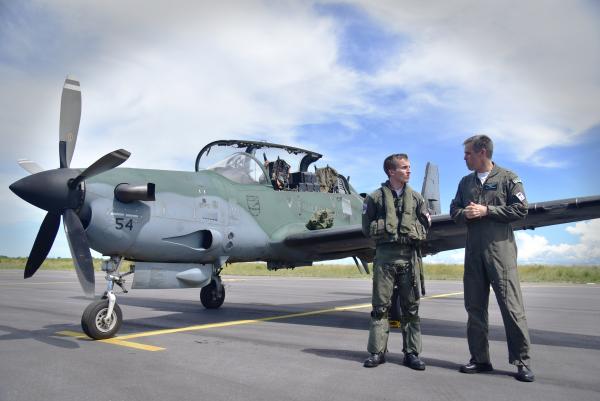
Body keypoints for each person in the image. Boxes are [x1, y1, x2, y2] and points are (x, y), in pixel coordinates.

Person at [450, 134, 535, 382]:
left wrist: (488, 210)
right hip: (473, 254)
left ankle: (522, 361)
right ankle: (480, 359)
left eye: (468, 153)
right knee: (474, 308)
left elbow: (521, 209)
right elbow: (454, 210)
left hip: (501, 253)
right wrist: (463, 213)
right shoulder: (465, 182)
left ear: (482, 152)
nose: (464, 158)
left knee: (512, 308)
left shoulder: (509, 178)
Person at [362, 153, 431, 370]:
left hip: (409, 258)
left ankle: (412, 353)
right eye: (404, 167)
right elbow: (366, 228)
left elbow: (425, 224)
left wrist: (415, 232)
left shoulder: (418, 199)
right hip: (384, 258)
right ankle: (377, 352)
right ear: (391, 171)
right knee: (380, 308)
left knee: (411, 309)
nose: (409, 171)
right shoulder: (374, 198)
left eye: (409, 167)